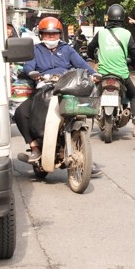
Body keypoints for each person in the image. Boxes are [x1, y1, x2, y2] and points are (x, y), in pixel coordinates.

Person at [14, 17, 96, 165]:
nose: (51, 37)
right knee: (20, 112)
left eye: (54, 34)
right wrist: (33, 73)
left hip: (66, 88)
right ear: (41, 35)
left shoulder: (67, 49)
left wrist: (94, 74)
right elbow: (28, 67)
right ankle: (35, 148)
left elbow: (83, 65)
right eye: (47, 34)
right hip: (43, 88)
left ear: (60, 34)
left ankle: (85, 156)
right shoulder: (35, 50)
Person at [87, 4, 135, 137]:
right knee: (134, 95)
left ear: (108, 18)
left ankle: (85, 122)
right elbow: (134, 53)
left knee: (92, 93)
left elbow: (90, 48)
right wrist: (133, 64)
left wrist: (92, 58)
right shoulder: (126, 33)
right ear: (122, 19)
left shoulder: (101, 33)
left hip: (103, 74)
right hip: (121, 75)